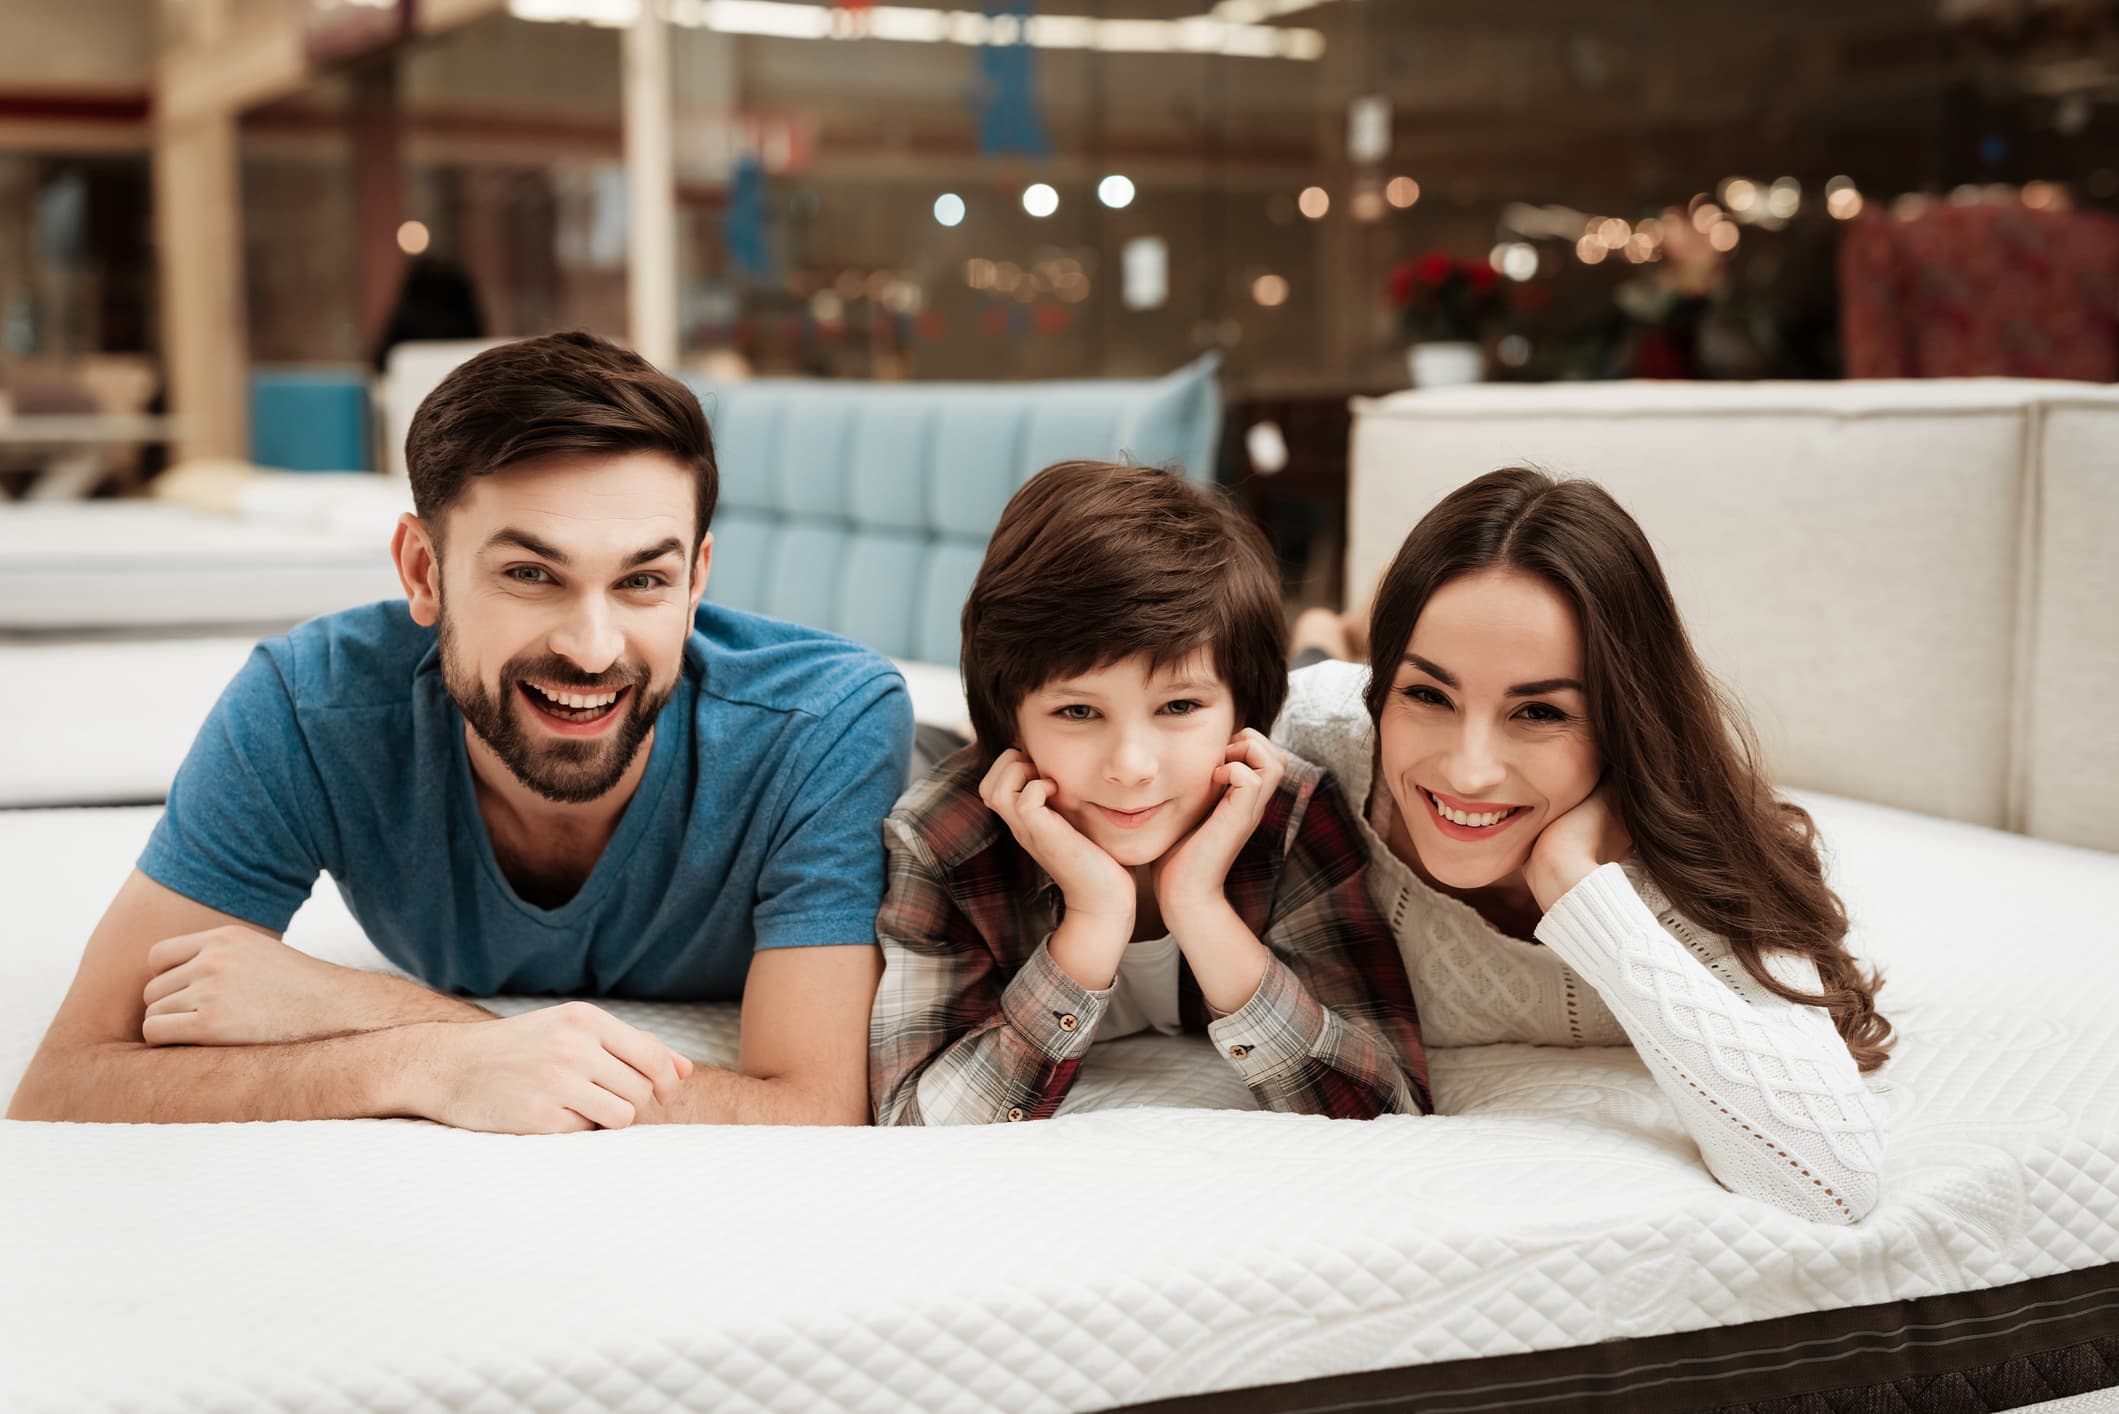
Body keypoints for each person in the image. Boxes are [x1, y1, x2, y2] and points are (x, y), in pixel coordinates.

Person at [9, 332, 912, 1131]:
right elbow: (68, 1080)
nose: (592, 650)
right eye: (530, 573)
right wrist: (423, 1064)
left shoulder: (826, 725)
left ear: (697, 578)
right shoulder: (307, 707)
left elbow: (811, 1110)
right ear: (423, 569)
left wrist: (357, 1005)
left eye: (642, 582)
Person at [1273, 466, 1891, 1223]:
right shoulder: (1310, 738)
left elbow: (1831, 1184)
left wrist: (1577, 884)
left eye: (1538, 712)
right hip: (1321, 678)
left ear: (1622, 716)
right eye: (1426, 694)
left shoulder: (1687, 847)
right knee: (1308, 653)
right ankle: (1326, 632)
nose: (1469, 770)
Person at [870, 461, 1429, 1125]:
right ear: (1012, 720)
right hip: (954, 751)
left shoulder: (1290, 810)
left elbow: (1385, 1106)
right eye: (1077, 712)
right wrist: (1094, 918)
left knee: (1302, 670)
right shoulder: (942, 836)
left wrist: (1197, 905)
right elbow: (911, 1122)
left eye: (1179, 706)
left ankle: (1318, 635)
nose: (1131, 768)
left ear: (1239, 716)